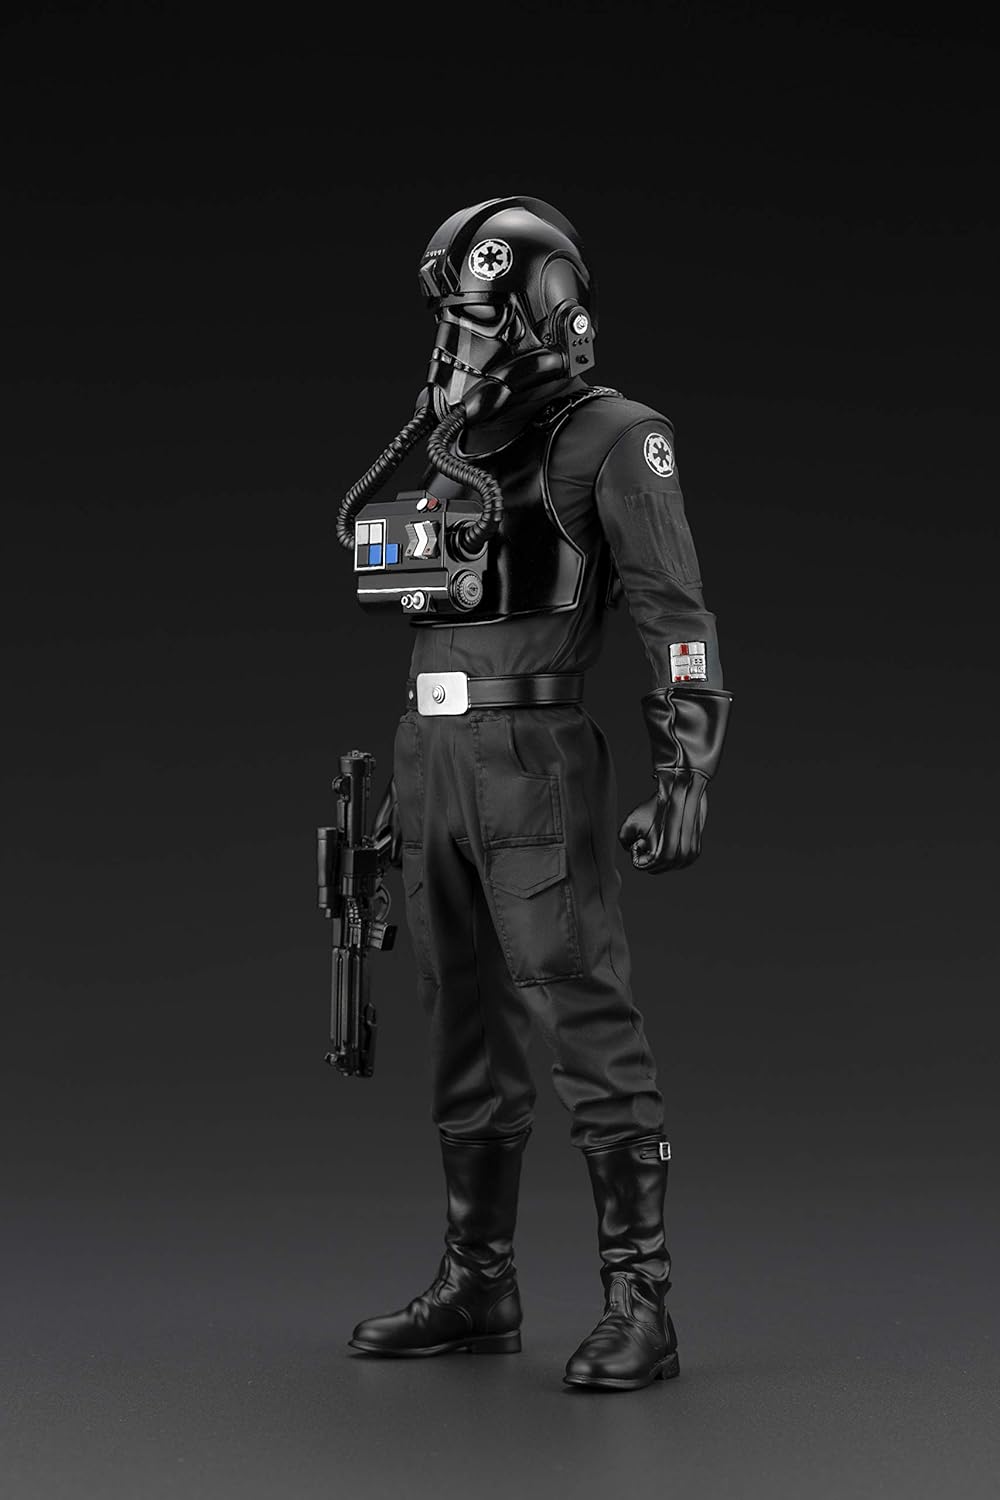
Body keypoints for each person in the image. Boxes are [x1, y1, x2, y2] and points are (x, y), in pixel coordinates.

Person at [334, 197, 732, 1390]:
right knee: (458, 1014)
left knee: (577, 1004)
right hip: (432, 756)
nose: (455, 346)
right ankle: (479, 1281)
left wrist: (686, 765)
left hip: (533, 759)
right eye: (449, 321)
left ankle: (640, 1297)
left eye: (477, 319)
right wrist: (408, 785)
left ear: (543, 315)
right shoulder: (457, 440)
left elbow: (675, 613)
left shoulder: (614, 438)